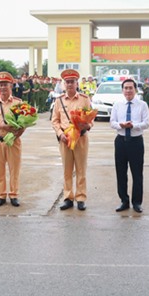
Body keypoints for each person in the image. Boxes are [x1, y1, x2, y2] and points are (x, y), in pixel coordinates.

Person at [51, 69, 92, 211]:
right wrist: (59, 133)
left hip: (80, 139)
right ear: (64, 84)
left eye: (72, 82)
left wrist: (86, 125)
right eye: (67, 82)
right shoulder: (59, 100)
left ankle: (80, 198)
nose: (69, 84)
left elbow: (91, 120)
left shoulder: (85, 99)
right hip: (65, 140)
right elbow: (54, 120)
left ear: (77, 83)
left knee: (81, 169)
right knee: (67, 170)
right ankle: (68, 198)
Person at [110, 78, 149, 213]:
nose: (128, 90)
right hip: (121, 141)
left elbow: (146, 123)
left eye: (130, 88)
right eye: (125, 88)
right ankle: (124, 201)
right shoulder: (117, 104)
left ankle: (137, 202)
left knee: (137, 173)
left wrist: (134, 125)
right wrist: (120, 125)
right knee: (121, 173)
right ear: (122, 90)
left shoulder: (142, 105)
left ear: (135, 89)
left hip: (136, 141)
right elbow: (112, 122)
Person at [0, 72, 25, 207]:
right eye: (0, 85)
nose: (3, 87)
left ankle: (14, 195)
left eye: (5, 85)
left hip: (14, 141)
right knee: (0, 169)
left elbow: (24, 122)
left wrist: (17, 135)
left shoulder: (18, 103)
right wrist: (2, 126)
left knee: (14, 169)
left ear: (11, 86)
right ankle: (1, 195)